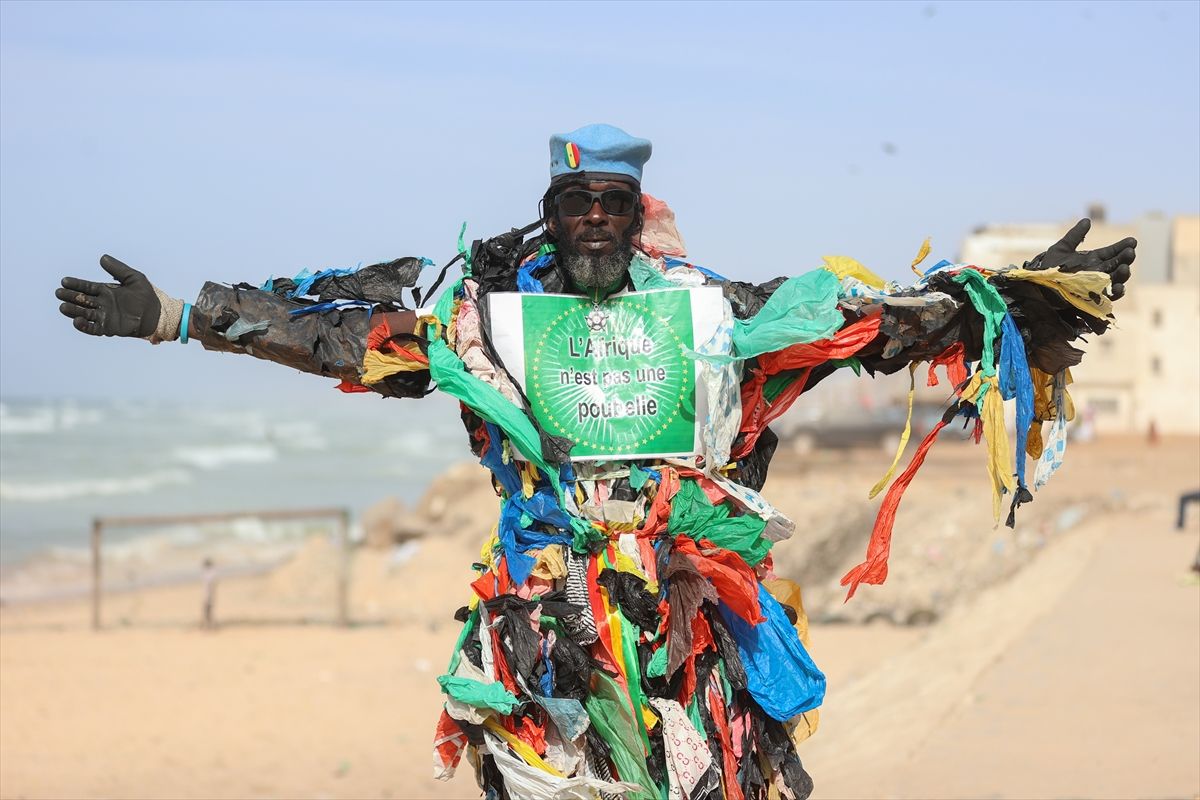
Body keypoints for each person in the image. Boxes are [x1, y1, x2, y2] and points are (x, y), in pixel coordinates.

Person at [55, 124, 1136, 800]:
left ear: (633, 217)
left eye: (611, 205)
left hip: (691, 623)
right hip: (547, 630)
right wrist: (183, 315)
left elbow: (871, 323)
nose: (593, 221)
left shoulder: (711, 314)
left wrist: (1015, 299)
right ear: (553, 213)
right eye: (576, 204)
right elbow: (349, 333)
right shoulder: (494, 323)